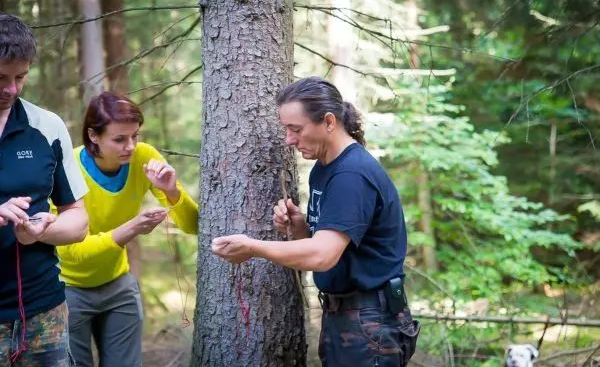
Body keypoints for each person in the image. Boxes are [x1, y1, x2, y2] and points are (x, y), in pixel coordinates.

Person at [212, 77, 420, 366]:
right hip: (345, 316)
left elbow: (323, 255)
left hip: (370, 320)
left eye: (296, 129)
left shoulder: (351, 175)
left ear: (329, 122)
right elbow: (330, 246)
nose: (288, 139)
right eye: (286, 129)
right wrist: (300, 228)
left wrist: (252, 248)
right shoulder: (324, 169)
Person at [56, 91, 199, 367]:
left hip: (118, 286)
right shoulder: (67, 168)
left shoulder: (143, 157)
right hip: (67, 291)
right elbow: (71, 252)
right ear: (93, 136)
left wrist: (170, 192)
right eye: (119, 139)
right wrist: (131, 228)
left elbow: (193, 225)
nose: (131, 146)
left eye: (135, 136)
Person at [0, 13, 89, 365]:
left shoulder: (47, 126)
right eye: (1, 78)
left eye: (20, 77)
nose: (12, 89)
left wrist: (38, 233)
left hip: (43, 314)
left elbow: (78, 220)